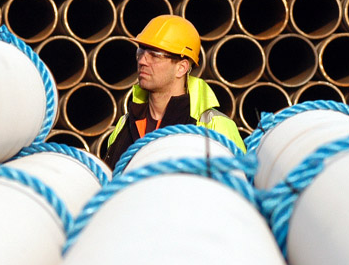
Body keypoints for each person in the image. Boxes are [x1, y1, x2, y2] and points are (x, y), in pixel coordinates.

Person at [104, 14, 246, 169]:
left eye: (154, 55)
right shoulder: (125, 124)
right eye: (141, 52)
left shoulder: (215, 126)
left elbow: (238, 185)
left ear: (181, 67)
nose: (142, 61)